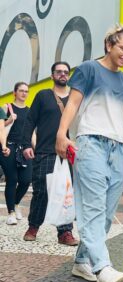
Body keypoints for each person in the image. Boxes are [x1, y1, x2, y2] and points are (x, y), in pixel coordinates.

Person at [55, 25, 123, 282]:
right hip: (91, 143)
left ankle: (82, 260)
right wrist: (62, 134)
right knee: (93, 209)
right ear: (109, 44)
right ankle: (102, 269)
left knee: (106, 214)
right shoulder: (88, 69)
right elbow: (72, 104)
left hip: (119, 149)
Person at [21, 63, 78, 246]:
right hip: (46, 151)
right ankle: (33, 226)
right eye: (59, 72)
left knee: (66, 192)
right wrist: (25, 144)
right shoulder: (43, 96)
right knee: (41, 192)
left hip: (68, 153)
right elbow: (30, 121)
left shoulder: (74, 99)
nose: (62, 74)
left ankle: (65, 232)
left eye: (65, 72)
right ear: (52, 75)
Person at [0, 82, 32, 225]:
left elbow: (32, 134)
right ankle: (11, 212)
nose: (24, 93)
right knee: (12, 179)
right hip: (9, 148)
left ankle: (16, 203)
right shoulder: (6, 108)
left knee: (26, 180)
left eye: (26, 91)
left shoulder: (30, 111)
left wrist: (35, 149)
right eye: (21, 91)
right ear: (14, 92)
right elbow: (1, 129)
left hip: (25, 148)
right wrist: (9, 120)